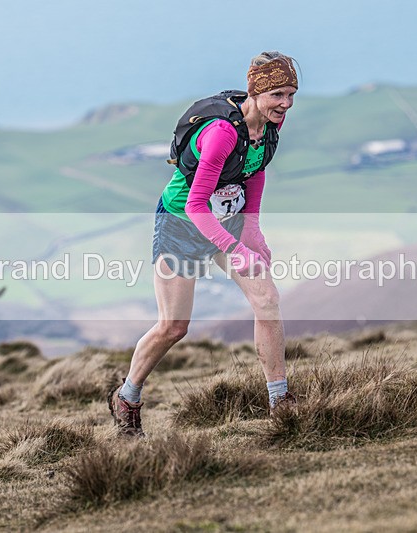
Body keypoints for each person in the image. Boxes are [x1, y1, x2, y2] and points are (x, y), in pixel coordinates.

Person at [108, 51, 299, 437]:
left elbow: (254, 174)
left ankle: (280, 402)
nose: (286, 103)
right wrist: (234, 248)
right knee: (174, 327)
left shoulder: (268, 129)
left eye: (291, 94)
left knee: (267, 300)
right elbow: (195, 204)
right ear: (256, 90)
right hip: (181, 224)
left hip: (225, 222)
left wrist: (252, 231)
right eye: (277, 94)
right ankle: (127, 396)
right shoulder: (222, 134)